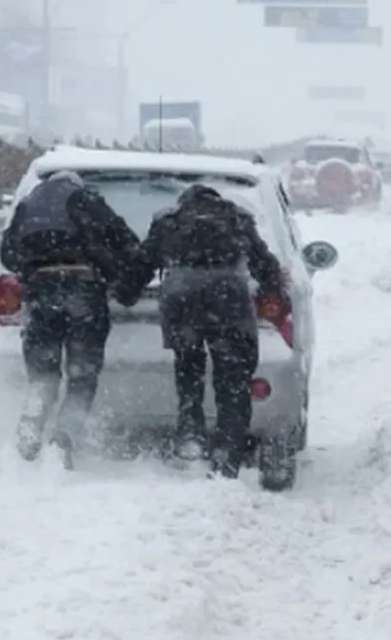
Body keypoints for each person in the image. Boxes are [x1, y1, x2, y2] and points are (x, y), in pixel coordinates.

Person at [122, 183, 285, 479]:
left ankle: (191, 436)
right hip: (229, 301)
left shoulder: (168, 222)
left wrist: (124, 292)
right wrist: (275, 288)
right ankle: (228, 450)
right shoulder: (237, 218)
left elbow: (142, 265)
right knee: (233, 380)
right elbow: (263, 263)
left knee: (188, 369)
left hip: (181, 299)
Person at [0, 170, 140, 468]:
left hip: (40, 291)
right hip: (85, 291)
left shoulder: (28, 204)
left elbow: (7, 255)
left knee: (43, 373)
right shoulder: (87, 200)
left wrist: (35, 266)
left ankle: (31, 421)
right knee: (82, 376)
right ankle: (64, 439)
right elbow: (126, 241)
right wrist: (117, 273)